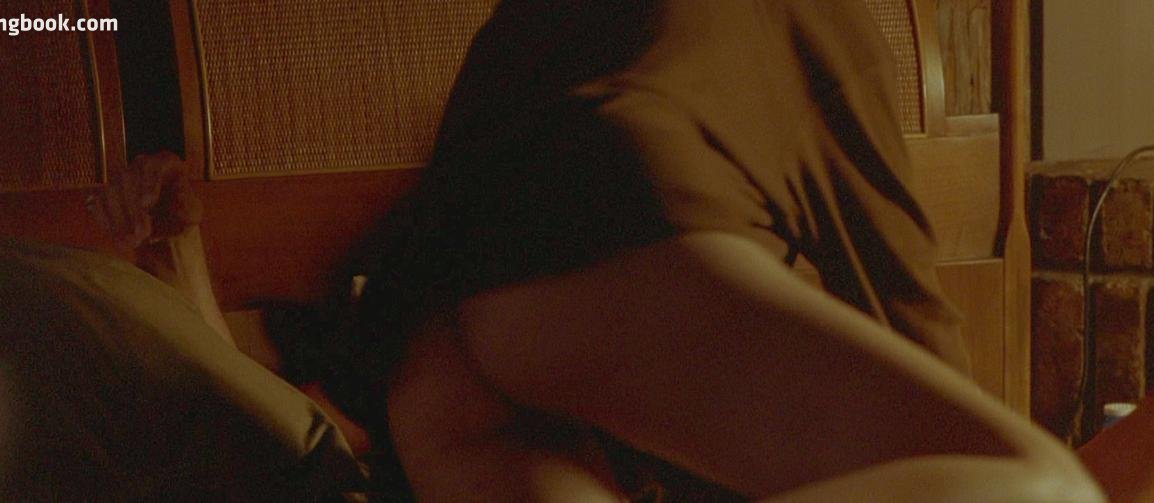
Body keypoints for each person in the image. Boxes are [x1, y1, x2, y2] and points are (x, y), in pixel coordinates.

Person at [96, 0, 1104, 501]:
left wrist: (185, 272)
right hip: (568, 228)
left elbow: (271, 425)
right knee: (1039, 482)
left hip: (461, 331)